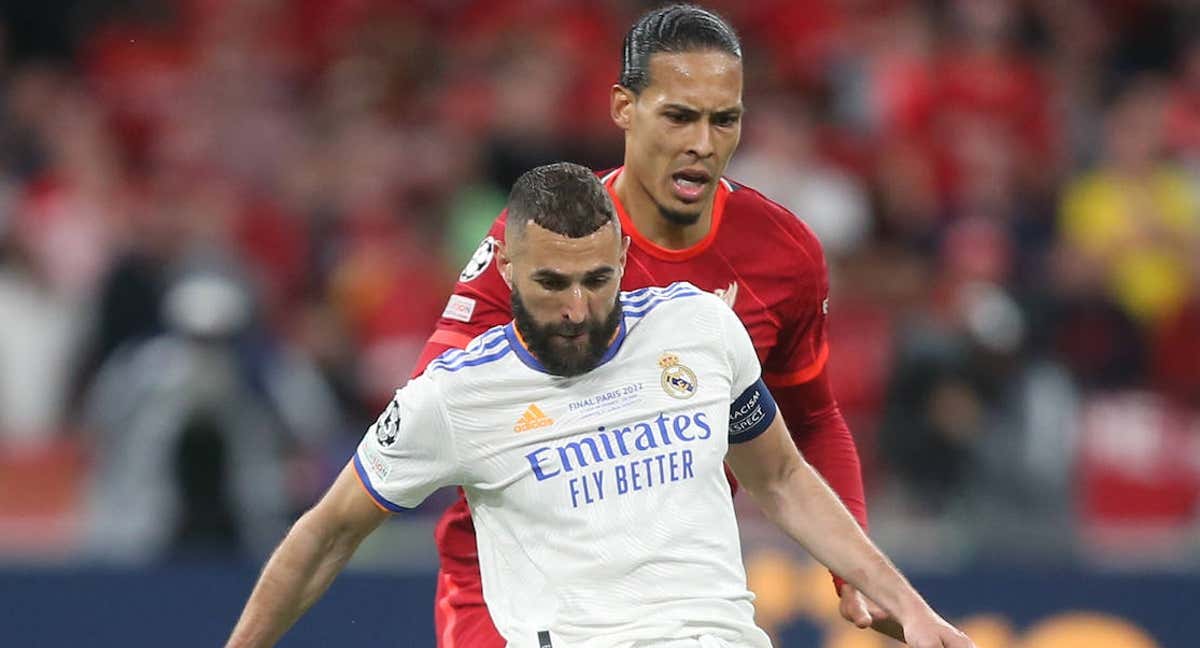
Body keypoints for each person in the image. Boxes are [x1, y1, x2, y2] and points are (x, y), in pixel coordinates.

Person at [226, 163, 974, 648]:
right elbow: (326, 534)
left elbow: (780, 477)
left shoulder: (698, 327)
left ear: (620, 258)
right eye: (553, 284)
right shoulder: (454, 397)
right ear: (508, 269)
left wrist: (907, 603)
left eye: (597, 280)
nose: (579, 309)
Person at [415, 5, 886, 645]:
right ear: (623, 109)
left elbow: (812, 422)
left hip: (672, 594)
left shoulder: (782, 255)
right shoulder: (552, 241)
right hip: (516, 591)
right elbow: (433, 396)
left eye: (725, 120)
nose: (703, 143)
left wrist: (851, 568)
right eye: (679, 116)